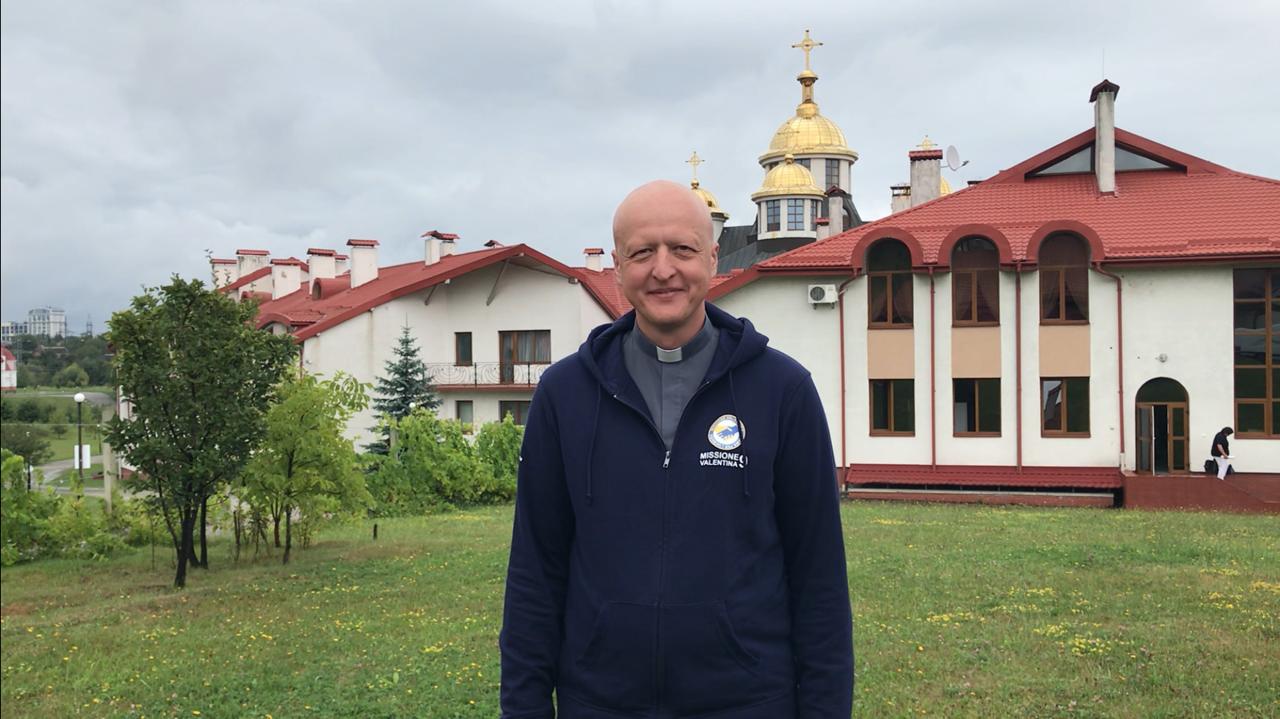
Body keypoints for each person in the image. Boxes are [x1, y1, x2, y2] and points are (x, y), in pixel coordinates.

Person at [500, 180, 853, 718]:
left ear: (713, 258)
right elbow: (535, 572)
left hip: (749, 704)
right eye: (642, 252)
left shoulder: (783, 391)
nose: (663, 269)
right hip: (599, 704)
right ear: (617, 266)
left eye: (682, 250)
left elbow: (819, 579)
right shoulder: (564, 395)